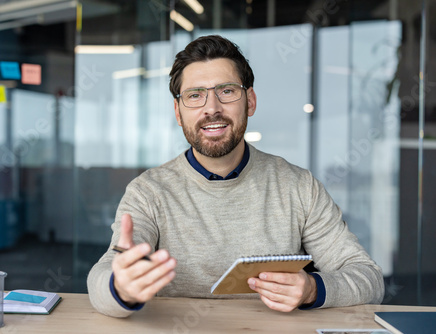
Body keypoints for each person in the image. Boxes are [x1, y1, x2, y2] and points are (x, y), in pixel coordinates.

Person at [87, 35, 385, 318]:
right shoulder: (148, 192)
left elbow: (367, 278)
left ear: (250, 101)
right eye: (195, 95)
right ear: (178, 113)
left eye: (226, 91)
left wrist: (312, 289)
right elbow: (102, 280)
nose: (212, 108)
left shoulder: (298, 187)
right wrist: (120, 286)